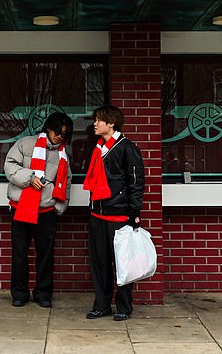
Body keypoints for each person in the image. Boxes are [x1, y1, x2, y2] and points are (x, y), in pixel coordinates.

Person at [3, 112, 73, 308]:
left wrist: (59, 207)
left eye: (64, 134)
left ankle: (43, 293)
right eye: (57, 131)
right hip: (21, 208)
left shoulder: (63, 155)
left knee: (46, 255)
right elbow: (9, 165)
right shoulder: (26, 144)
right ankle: (19, 293)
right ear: (48, 128)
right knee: (19, 254)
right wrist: (29, 177)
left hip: (46, 212)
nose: (60, 136)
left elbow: (66, 182)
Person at [82, 105, 145, 322]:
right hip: (97, 215)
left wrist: (135, 214)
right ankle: (101, 305)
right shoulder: (98, 147)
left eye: (99, 120)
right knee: (99, 264)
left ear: (111, 124)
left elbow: (136, 183)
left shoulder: (127, 148)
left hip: (119, 217)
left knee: (122, 265)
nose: (95, 123)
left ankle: (124, 307)